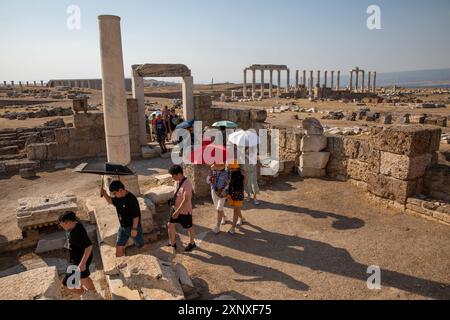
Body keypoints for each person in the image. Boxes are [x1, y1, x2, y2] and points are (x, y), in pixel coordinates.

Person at [59, 211, 99, 299]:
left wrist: (82, 264)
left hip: (80, 261)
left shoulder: (77, 233)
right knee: (84, 278)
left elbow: (89, 246)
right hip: (78, 258)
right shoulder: (75, 224)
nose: (61, 226)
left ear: (69, 222)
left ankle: (86, 294)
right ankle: (94, 294)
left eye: (62, 224)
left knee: (67, 284)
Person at [100, 180, 146, 257]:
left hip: (133, 227)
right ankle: (119, 264)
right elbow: (111, 201)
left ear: (121, 190)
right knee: (119, 246)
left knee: (141, 246)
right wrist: (104, 193)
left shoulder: (131, 199)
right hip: (123, 227)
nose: (114, 195)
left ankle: (152, 258)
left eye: (115, 193)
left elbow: (136, 216)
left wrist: (134, 229)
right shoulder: (119, 197)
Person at [167, 165, 196, 253]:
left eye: (173, 175)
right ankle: (173, 243)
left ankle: (192, 243)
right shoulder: (176, 181)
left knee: (189, 227)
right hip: (175, 208)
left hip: (184, 211)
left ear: (179, 174)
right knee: (170, 224)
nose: (172, 177)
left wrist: (177, 212)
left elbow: (186, 199)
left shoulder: (187, 183)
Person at [207, 163, 230, 234]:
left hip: (223, 193)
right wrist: (210, 177)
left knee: (218, 209)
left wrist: (224, 190)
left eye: (219, 165)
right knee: (218, 208)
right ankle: (224, 217)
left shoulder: (226, 173)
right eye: (216, 165)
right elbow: (207, 181)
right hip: (214, 192)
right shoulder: (212, 172)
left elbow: (228, 183)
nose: (217, 166)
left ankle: (217, 227)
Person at [227, 160, 246, 234]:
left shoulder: (241, 173)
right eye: (230, 168)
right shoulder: (229, 174)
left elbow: (244, 183)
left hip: (238, 194)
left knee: (235, 210)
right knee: (236, 209)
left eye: (232, 168)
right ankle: (242, 218)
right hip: (232, 194)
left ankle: (233, 228)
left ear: (236, 168)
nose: (230, 170)